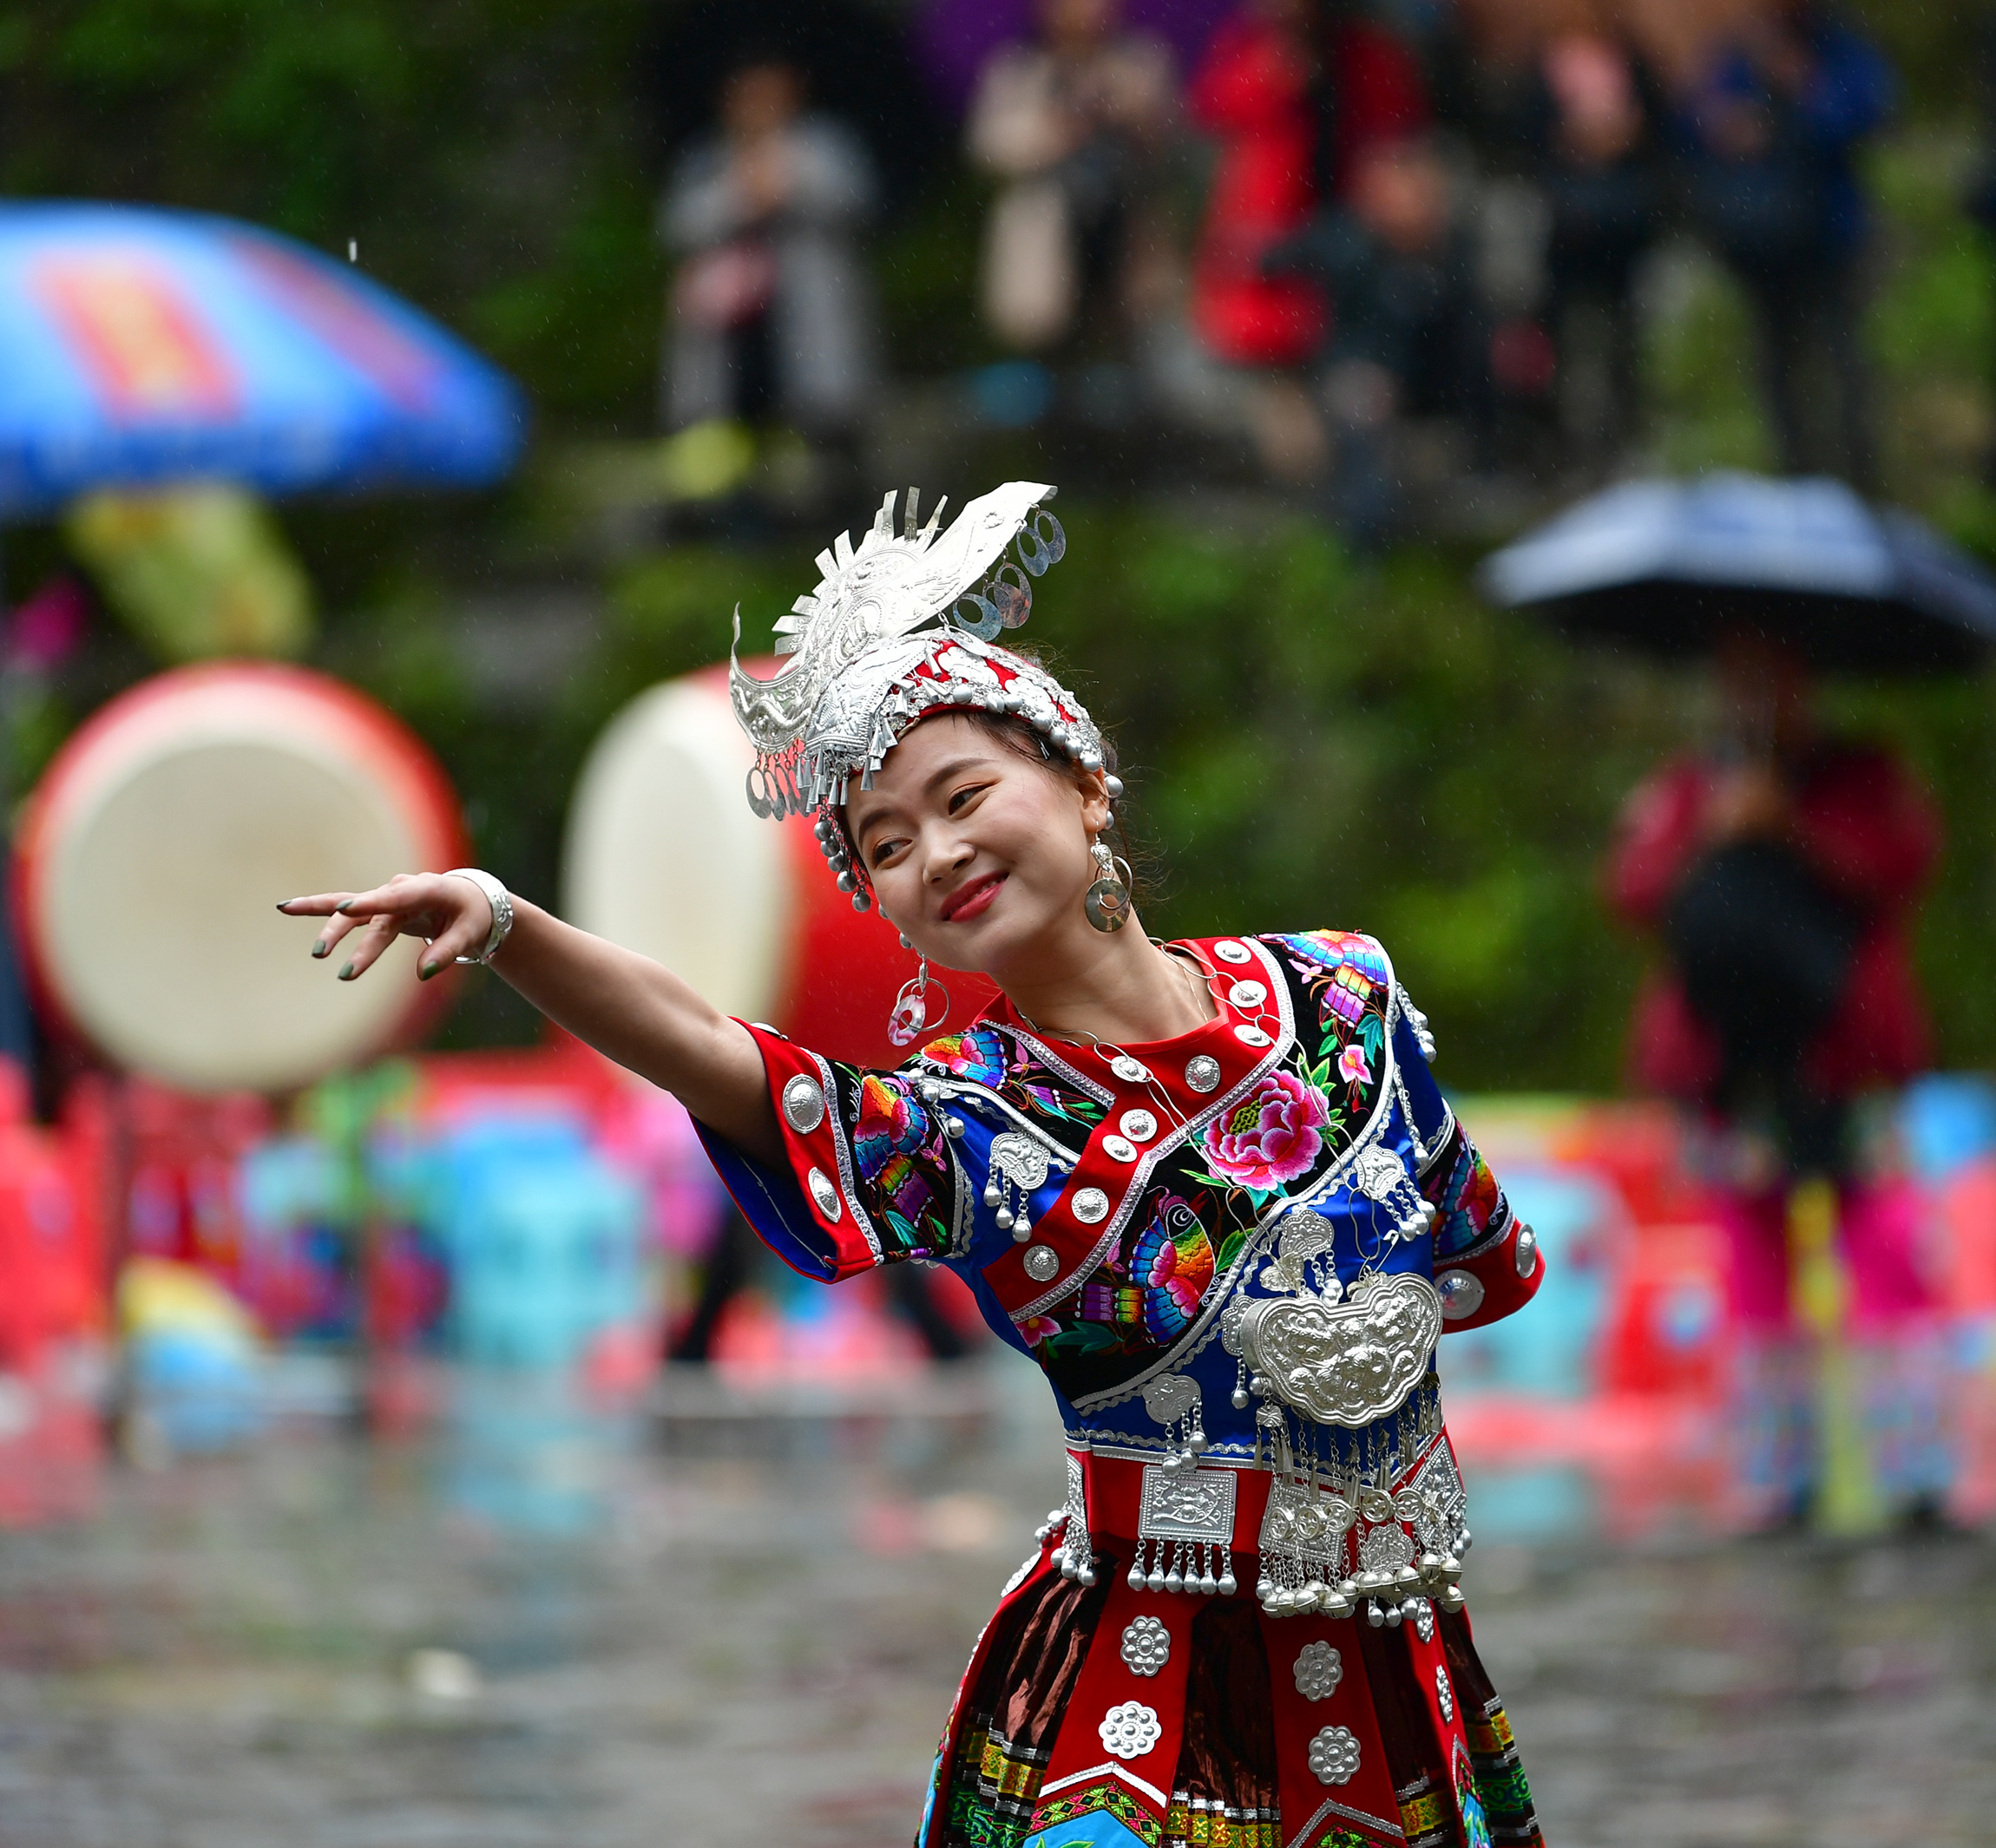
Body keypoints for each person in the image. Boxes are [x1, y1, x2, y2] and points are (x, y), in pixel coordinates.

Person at [283, 480, 1546, 1847]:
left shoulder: (1346, 1000)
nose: (937, 853)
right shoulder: (964, 1126)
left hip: (1397, 1665)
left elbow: (1478, 1263)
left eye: (963, 795)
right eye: (886, 845)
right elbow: (716, 1047)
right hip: (1141, 1710)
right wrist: (508, 926)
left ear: (1080, 776)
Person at [1605, 632, 1947, 1526]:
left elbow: (1903, 864)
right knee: (1752, 1273)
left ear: (1805, 682)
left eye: (1775, 676)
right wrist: (1710, 827)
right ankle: (1775, 1482)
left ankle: (1909, 1475)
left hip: (1848, 1060)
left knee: (1885, 1256)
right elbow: (1634, 890)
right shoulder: (1689, 784)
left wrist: (1789, 827)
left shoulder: (1858, 779)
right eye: (1739, 677)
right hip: (1731, 1070)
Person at [1187, 0, 1429, 480]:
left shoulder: (1370, 59)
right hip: (1274, 272)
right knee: (1289, 410)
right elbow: (1214, 111)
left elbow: (1397, 153)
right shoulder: (1251, 57)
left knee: (1355, 393)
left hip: (1352, 261)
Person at [1676, 1, 1893, 491]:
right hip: (1765, 242)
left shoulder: (1839, 46)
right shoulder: (1739, 51)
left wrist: (1806, 94)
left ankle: (1862, 488)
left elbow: (1868, 113)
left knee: (1844, 366)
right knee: (1777, 369)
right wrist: (1728, 124)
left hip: (1830, 237)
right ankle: (1797, 483)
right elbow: (1690, 120)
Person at [656, 57, 879, 482]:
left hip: (808, 311)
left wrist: (790, 184)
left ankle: (836, 498)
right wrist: (737, 196)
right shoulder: (708, 157)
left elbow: (857, 201)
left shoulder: (824, 145)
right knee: (738, 411)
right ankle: (744, 505)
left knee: (826, 416)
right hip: (733, 323)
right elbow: (677, 225)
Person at [966, 0, 1179, 360]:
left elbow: (1172, 139)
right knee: (1050, 340)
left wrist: (1129, 113)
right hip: (1050, 222)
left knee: (1133, 336)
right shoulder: (1021, 68)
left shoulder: (1139, 60)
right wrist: (1054, 131)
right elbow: (988, 146)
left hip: (1123, 222)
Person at [1522, 27, 1665, 475]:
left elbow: (1661, 129)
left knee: (1626, 350)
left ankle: (1627, 451)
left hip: (1623, 234)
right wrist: (1571, 141)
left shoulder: (1634, 57)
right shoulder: (1540, 64)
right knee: (1565, 352)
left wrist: (1624, 134)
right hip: (1564, 236)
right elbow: (1525, 135)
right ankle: (1565, 455)